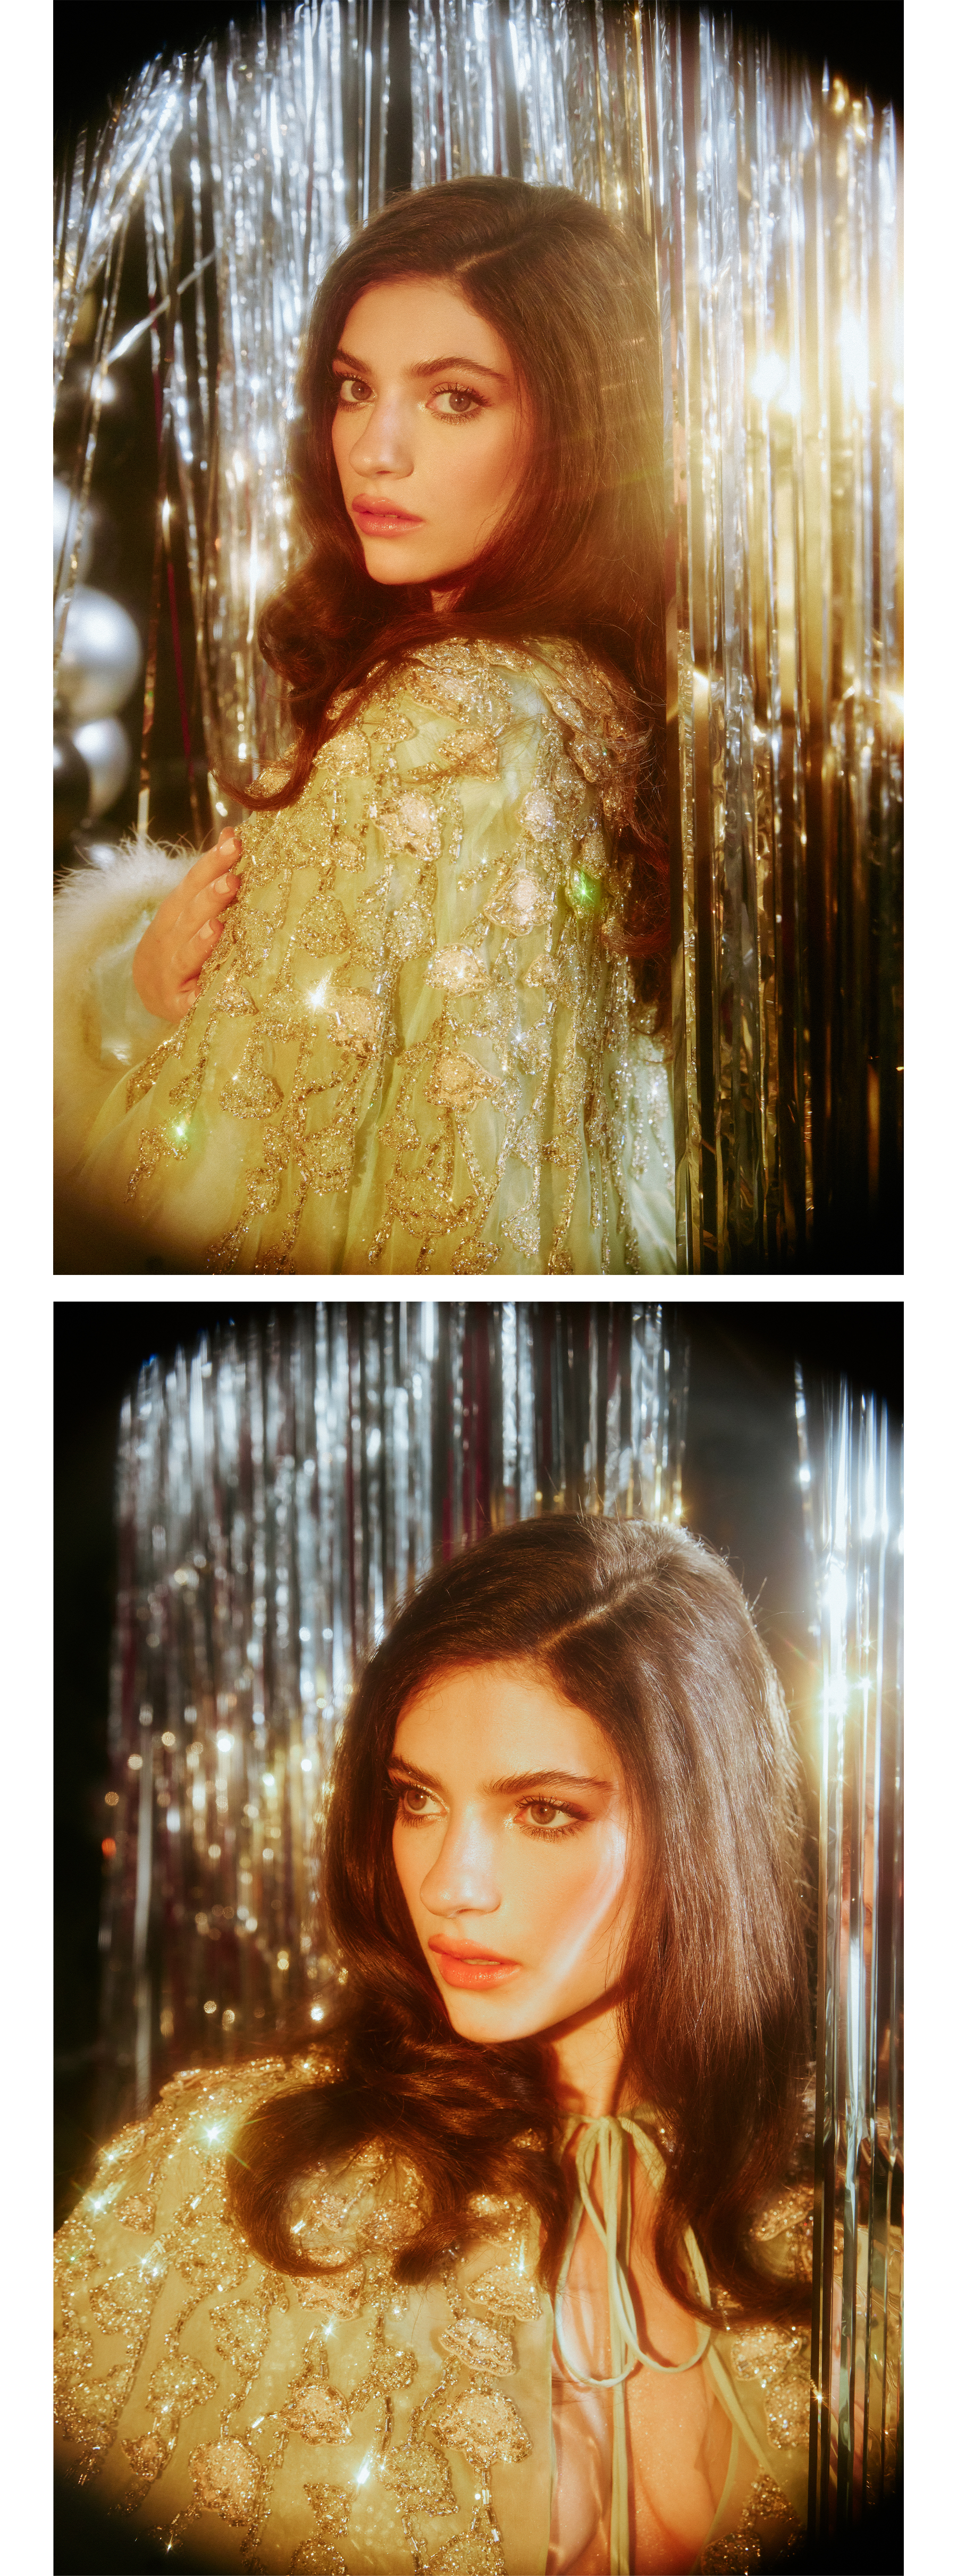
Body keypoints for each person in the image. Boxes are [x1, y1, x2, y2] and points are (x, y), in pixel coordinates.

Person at [54, 1517, 812, 2573]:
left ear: (706, 1827)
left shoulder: (852, 2259)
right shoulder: (219, 2175)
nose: (451, 1884)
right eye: (417, 1801)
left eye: (544, 1812)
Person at [53, 179, 676, 1274]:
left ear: (578, 427)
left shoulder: (439, 727)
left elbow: (232, 1177)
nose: (374, 451)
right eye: (353, 388)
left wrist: (124, 1001)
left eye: (454, 400)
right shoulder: (581, 689)